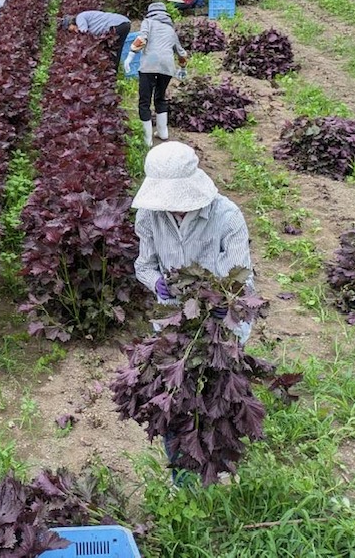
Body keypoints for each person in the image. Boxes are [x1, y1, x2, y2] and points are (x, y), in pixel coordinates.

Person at [130, 142, 255, 481]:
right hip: (173, 327)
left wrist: (223, 304)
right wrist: (157, 283)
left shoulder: (225, 216)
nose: (175, 210)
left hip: (220, 330)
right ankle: (180, 471)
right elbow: (144, 264)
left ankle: (220, 466)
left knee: (219, 400)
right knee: (174, 401)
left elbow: (242, 277)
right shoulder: (150, 215)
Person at [129, 3, 188, 145]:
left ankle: (147, 139)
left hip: (149, 64)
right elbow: (181, 53)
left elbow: (142, 39)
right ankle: (163, 132)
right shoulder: (170, 29)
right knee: (160, 97)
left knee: (144, 101)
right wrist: (183, 69)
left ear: (150, 13)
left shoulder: (148, 22)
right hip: (167, 67)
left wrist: (131, 54)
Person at [61, 11, 132, 70]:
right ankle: (113, 73)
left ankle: (110, 72)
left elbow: (84, 33)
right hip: (125, 24)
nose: (74, 31)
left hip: (116, 25)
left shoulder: (79, 18)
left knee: (108, 50)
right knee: (116, 50)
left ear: (71, 23)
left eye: (71, 29)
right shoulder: (84, 18)